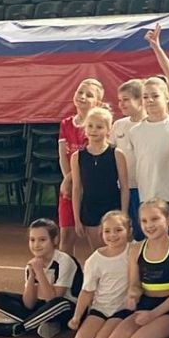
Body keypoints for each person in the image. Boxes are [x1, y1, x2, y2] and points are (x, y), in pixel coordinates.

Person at [107, 199, 169, 338]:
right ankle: (155, 332)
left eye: (155, 219)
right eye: (144, 221)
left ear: (168, 220)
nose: (149, 225)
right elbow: (134, 284)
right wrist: (132, 294)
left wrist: (153, 315)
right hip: (145, 305)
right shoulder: (136, 250)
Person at [126, 77, 169, 267]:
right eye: (145, 96)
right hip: (147, 196)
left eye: (155, 96)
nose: (149, 100)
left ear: (166, 97)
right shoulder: (135, 132)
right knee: (152, 247)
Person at [0, 218, 83, 338]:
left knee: (59, 303)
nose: (36, 245)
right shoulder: (32, 264)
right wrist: (32, 276)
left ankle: (20, 328)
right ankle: (42, 324)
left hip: (67, 310)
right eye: (32, 240)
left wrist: (39, 272)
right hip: (44, 308)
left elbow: (53, 299)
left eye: (42, 240)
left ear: (55, 240)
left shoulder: (64, 261)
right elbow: (29, 304)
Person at [68, 210, 132, 338]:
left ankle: (118, 334)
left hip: (122, 309)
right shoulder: (94, 260)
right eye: (107, 231)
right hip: (100, 308)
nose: (112, 235)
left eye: (118, 230)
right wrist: (76, 317)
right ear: (101, 233)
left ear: (128, 231)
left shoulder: (133, 251)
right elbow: (87, 291)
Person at [58, 78, 105, 256]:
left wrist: (70, 180)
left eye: (89, 95)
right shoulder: (66, 124)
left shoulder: (95, 126)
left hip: (90, 187)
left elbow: (85, 158)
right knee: (66, 236)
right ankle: (66, 272)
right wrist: (68, 181)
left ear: (97, 102)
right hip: (71, 187)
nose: (83, 97)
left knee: (96, 238)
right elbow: (63, 155)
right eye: (80, 92)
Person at [70, 107, 128, 251]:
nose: (93, 130)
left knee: (116, 249)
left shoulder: (117, 154)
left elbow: (124, 187)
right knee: (97, 252)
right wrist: (77, 219)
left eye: (99, 127)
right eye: (90, 126)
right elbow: (76, 189)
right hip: (90, 210)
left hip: (112, 207)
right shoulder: (77, 157)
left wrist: (124, 215)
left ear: (108, 129)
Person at [110, 79, 145, 239]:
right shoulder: (118, 125)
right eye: (119, 100)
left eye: (126, 99)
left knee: (143, 232)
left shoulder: (149, 125)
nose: (121, 104)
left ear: (140, 100)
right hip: (123, 188)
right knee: (126, 231)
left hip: (145, 188)